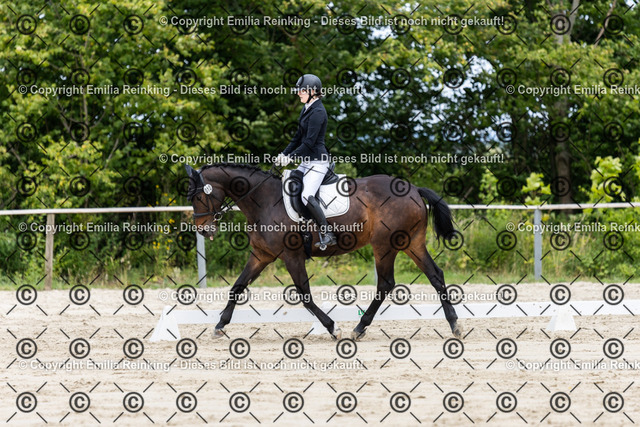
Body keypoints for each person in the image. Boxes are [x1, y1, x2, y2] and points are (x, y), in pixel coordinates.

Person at [274, 74, 337, 248]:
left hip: (318, 161)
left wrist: (290, 157)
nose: (298, 93)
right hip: (307, 160)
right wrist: (283, 154)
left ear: (312, 92)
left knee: (306, 195)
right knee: (288, 180)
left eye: (301, 91)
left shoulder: (318, 112)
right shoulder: (307, 108)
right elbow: (297, 137)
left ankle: (327, 233)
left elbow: (309, 143)